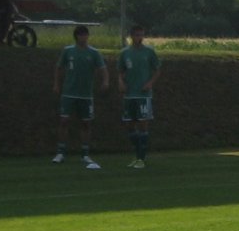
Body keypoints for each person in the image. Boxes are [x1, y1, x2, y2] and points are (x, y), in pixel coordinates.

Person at [52, 25, 109, 169]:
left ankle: (85, 153)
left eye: (85, 35)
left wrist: (105, 81)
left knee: (86, 123)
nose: (84, 37)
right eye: (81, 35)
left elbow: (103, 69)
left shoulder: (94, 53)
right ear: (76, 37)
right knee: (64, 121)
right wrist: (57, 84)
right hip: (69, 93)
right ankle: (60, 152)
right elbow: (59, 68)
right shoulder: (68, 51)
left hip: (86, 95)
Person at [117, 25, 161, 169]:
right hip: (129, 95)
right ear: (131, 36)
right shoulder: (125, 53)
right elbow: (121, 72)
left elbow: (157, 70)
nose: (139, 37)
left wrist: (150, 83)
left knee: (143, 125)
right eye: (136, 35)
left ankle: (141, 158)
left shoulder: (149, 52)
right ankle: (137, 155)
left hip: (143, 95)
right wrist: (121, 83)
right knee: (130, 126)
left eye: (141, 35)